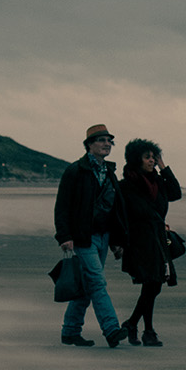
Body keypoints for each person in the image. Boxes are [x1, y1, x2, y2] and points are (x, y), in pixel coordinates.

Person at [53, 124, 128, 347]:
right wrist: (64, 236)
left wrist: (116, 241)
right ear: (89, 145)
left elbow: (115, 209)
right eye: (101, 140)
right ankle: (112, 329)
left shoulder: (111, 173)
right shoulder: (75, 171)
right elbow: (62, 206)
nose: (106, 144)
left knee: (86, 286)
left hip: (103, 237)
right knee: (97, 282)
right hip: (82, 237)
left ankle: (70, 332)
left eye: (109, 140)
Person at [116, 138, 183, 346]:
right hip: (139, 241)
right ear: (137, 159)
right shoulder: (125, 185)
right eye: (148, 157)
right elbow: (120, 215)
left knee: (153, 285)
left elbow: (176, 194)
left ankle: (136, 325)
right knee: (152, 284)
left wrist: (164, 167)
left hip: (158, 240)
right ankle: (146, 330)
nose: (152, 161)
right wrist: (117, 242)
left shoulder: (158, 182)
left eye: (154, 157)